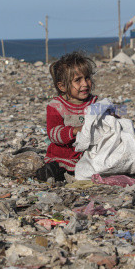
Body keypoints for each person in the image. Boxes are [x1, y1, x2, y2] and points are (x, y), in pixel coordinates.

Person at [35, 51, 98, 182]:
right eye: (77, 80)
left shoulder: (95, 103)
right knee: (53, 171)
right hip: (65, 155)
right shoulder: (56, 107)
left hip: (89, 154)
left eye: (87, 78)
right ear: (62, 86)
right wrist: (74, 130)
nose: (85, 84)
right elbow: (53, 133)